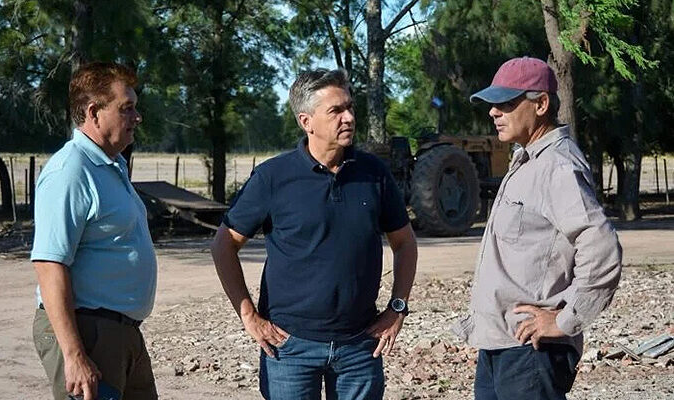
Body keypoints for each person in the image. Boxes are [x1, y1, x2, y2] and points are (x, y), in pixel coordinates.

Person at [211, 68, 418, 399]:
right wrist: (249, 316)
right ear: (306, 121)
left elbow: (405, 243)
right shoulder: (273, 177)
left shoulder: (374, 174)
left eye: (350, 107)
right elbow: (224, 245)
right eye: (336, 111)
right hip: (289, 346)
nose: (349, 117)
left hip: (360, 345)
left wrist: (397, 308)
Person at [453, 56, 622, 400]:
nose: (493, 112)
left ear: (541, 104)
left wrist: (564, 320)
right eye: (492, 104)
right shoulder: (527, 160)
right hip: (501, 344)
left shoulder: (557, 166)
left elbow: (601, 248)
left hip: (532, 350)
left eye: (506, 103)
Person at [31, 62, 158, 400]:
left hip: (121, 332)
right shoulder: (70, 170)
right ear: (93, 112)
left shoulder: (111, 164)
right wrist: (74, 355)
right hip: (87, 331)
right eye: (126, 108)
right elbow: (49, 264)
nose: (137, 117)